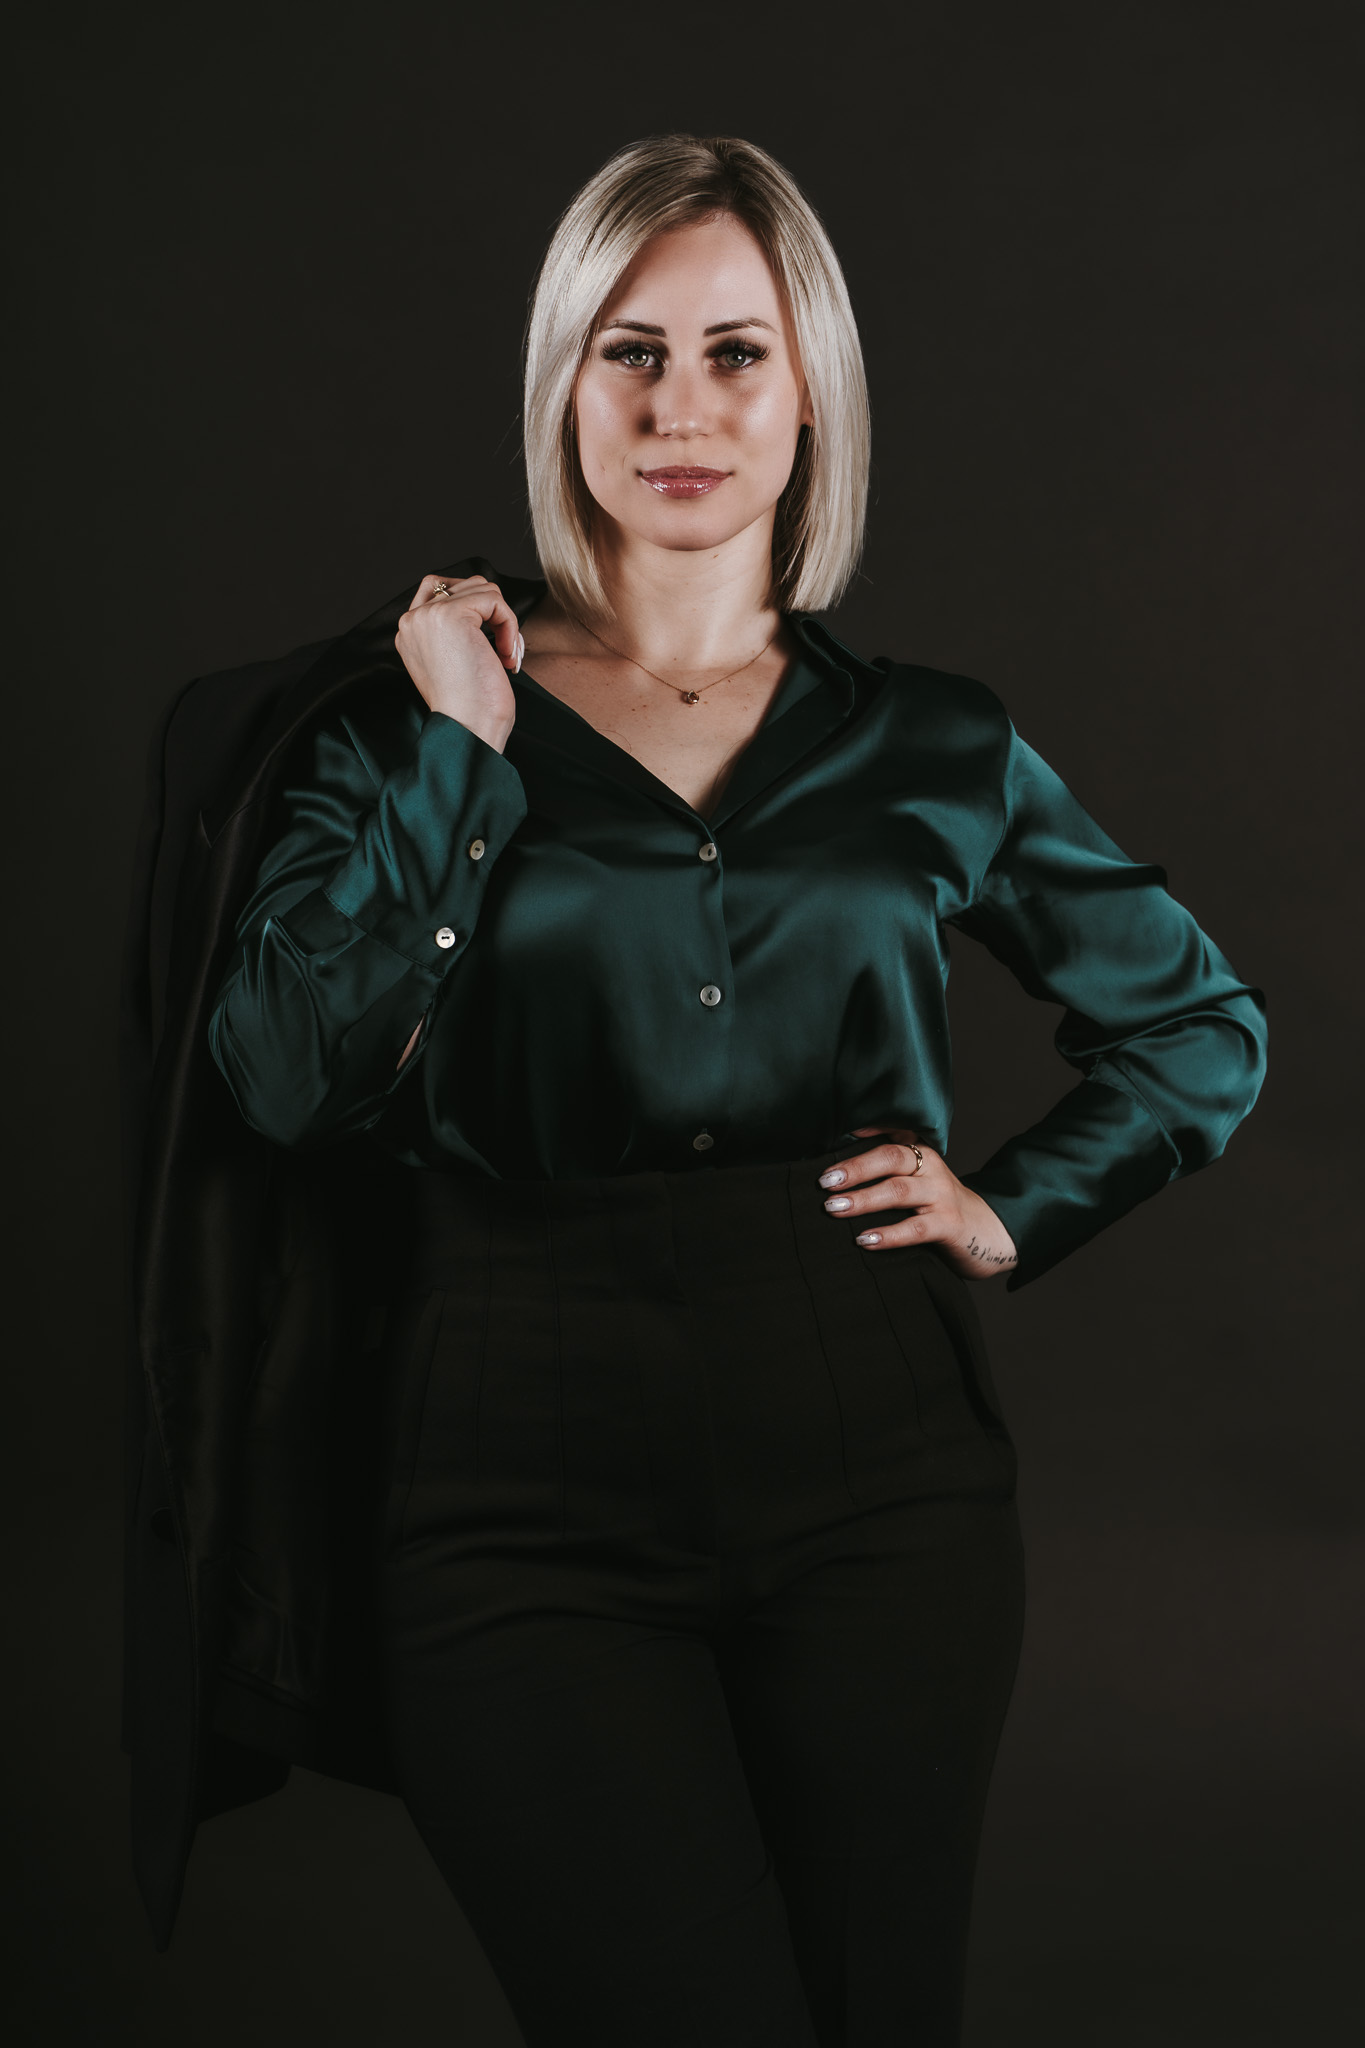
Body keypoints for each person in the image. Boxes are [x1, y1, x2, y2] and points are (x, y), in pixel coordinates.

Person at [199, 135, 1267, 2047]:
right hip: (509, 1451)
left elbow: (1197, 1025)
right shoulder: (400, 727)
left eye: (732, 353)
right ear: (562, 385)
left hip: (875, 1459)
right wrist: (458, 758)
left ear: (811, 391)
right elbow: (281, 1078)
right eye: (628, 353)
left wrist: (1015, 1206)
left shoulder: (932, 740)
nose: (679, 409)